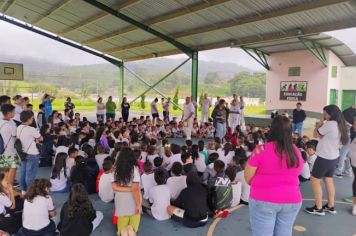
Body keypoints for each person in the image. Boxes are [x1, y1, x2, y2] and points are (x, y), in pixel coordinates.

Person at [244, 115, 303, 236]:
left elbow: (248, 177)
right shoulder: (295, 151)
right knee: (284, 232)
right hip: (291, 200)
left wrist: (261, 183)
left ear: (272, 129)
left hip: (263, 200)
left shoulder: (261, 150)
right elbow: (297, 172)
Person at [305, 105, 349, 216]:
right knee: (328, 180)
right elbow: (322, 137)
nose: (323, 115)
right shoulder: (340, 124)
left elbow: (315, 135)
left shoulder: (330, 124)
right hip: (334, 157)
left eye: (325, 113)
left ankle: (318, 208)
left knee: (315, 180)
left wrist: (320, 121)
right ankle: (330, 206)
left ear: (330, 114)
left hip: (325, 157)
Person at [112, 147, 141, 235]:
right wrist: (138, 204)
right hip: (133, 197)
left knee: (122, 217)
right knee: (135, 214)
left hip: (120, 197)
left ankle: (122, 231)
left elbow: (114, 187)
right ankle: (131, 229)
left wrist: (126, 188)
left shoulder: (115, 168)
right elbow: (135, 189)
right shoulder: (134, 169)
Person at [17, 111, 43, 193]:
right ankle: (30, 192)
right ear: (28, 119)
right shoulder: (31, 129)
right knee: (30, 174)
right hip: (32, 153)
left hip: (22, 153)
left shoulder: (18, 127)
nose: (33, 120)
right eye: (32, 118)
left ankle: (23, 190)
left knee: (23, 172)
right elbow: (41, 138)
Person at [0, 104, 20, 186]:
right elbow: (17, 136)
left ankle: (4, 191)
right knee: (12, 170)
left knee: (4, 172)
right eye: (13, 112)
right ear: (8, 113)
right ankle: (9, 191)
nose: (14, 113)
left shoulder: (2, 121)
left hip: (3, 151)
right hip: (10, 151)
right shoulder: (10, 125)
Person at [0, 170, 22, 235]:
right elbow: (12, 207)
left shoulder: (2, 194)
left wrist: (8, 192)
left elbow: (8, 203)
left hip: (3, 214)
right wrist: (11, 191)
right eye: (6, 179)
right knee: (20, 217)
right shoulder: (1, 195)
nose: (8, 181)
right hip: (2, 220)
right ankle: (7, 233)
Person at [349, 118, 356, 215]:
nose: (354, 125)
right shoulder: (353, 131)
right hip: (354, 161)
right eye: (354, 123)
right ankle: (355, 204)